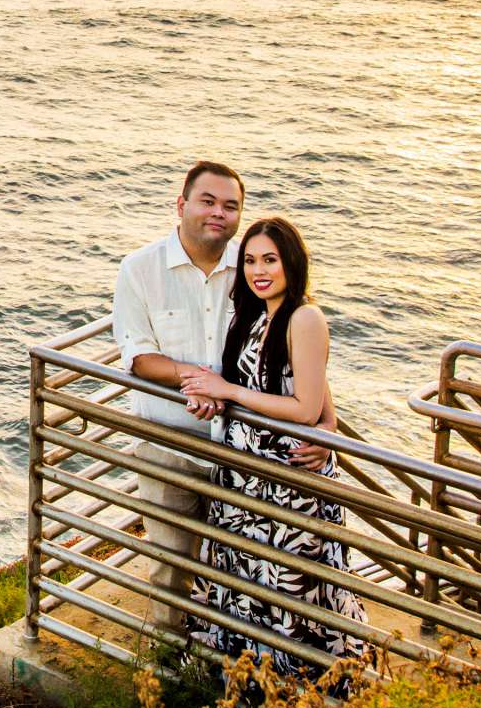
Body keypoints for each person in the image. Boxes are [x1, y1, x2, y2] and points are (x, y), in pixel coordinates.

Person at [111, 166, 332, 636]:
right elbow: (138, 355)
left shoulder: (252, 264)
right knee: (171, 568)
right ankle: (168, 669)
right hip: (172, 443)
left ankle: (240, 668)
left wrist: (326, 427)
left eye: (230, 206)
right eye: (208, 201)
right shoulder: (140, 269)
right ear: (182, 204)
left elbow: (296, 347)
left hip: (245, 456)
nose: (219, 213)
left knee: (247, 570)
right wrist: (199, 382)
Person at [176, 215, 369, 675]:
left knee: (291, 587)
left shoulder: (304, 316)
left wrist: (231, 392)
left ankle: (298, 689)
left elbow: (304, 405)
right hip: (247, 480)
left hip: (289, 483)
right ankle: (250, 681)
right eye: (249, 261)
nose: (259, 270)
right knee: (246, 581)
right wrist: (330, 424)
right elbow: (313, 389)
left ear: (292, 263)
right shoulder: (255, 315)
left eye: (270, 260)